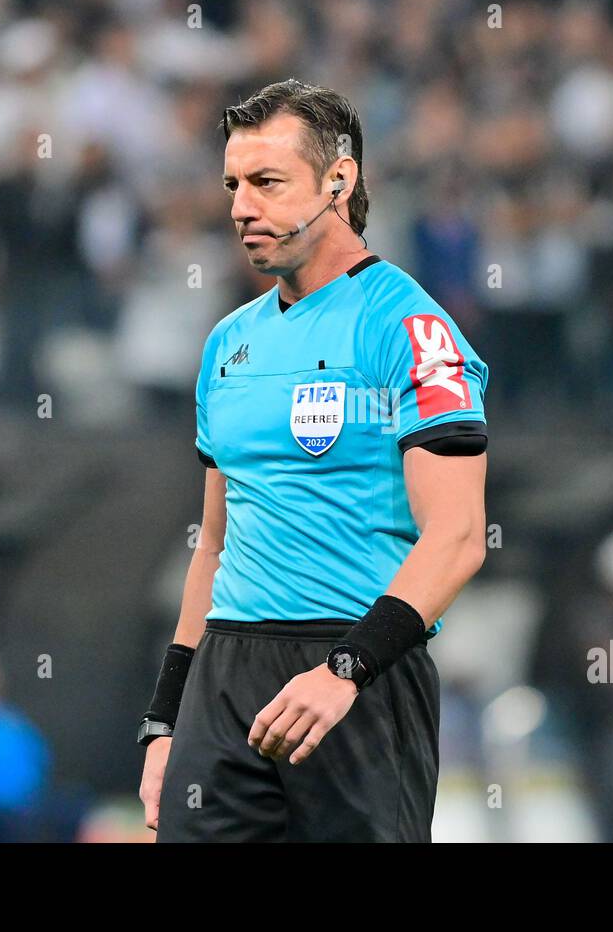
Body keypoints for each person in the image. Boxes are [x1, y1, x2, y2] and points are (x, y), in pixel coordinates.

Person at [137, 79, 489, 842]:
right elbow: (215, 544)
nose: (240, 206)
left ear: (340, 181)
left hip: (357, 668)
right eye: (233, 184)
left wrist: (346, 671)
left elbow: (458, 537)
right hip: (226, 672)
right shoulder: (228, 341)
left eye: (267, 183)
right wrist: (168, 718)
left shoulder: (410, 327)